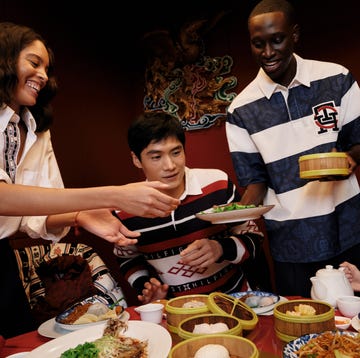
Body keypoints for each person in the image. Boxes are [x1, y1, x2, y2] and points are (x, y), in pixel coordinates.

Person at [0, 21, 179, 338]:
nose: (43, 75)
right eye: (33, 62)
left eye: (47, 68)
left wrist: (82, 214)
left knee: (17, 342)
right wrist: (113, 196)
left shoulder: (36, 128)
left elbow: (36, 213)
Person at [225, 0, 360, 298]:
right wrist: (235, 215)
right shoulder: (240, 110)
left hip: (349, 227)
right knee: (302, 326)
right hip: (291, 242)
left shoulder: (336, 79)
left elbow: (357, 141)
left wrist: (348, 160)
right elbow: (255, 180)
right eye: (258, 44)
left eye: (277, 40)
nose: (268, 52)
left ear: (295, 34)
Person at [113, 111, 267, 304]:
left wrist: (220, 248)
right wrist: (146, 286)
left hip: (236, 301)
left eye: (176, 152)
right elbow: (128, 259)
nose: (170, 165)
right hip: (178, 312)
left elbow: (254, 239)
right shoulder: (125, 210)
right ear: (136, 159)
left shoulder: (217, 184)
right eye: (156, 157)